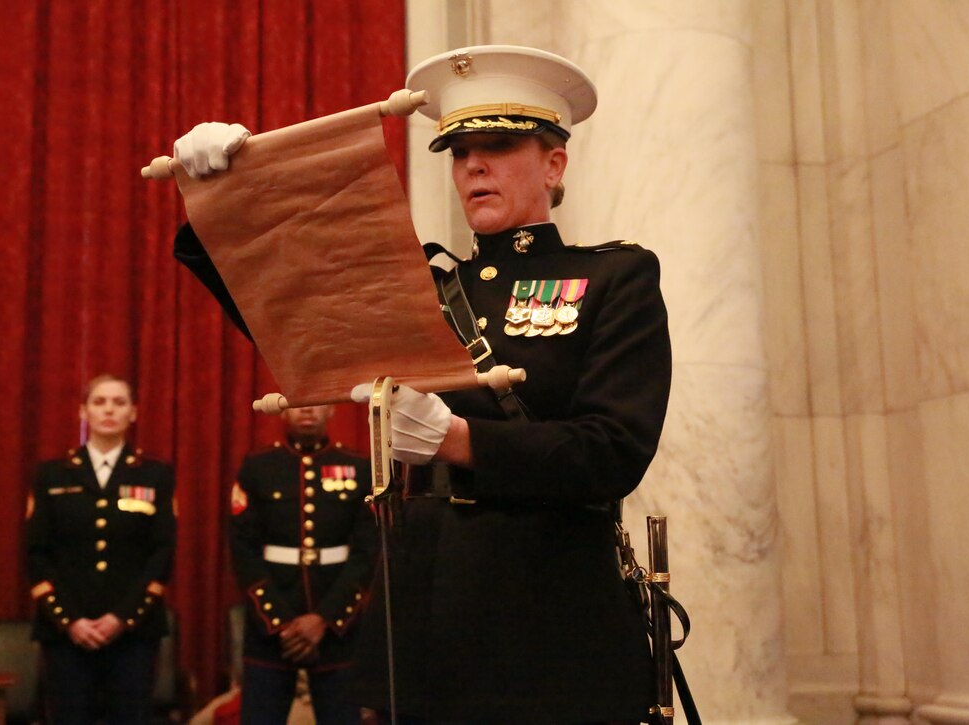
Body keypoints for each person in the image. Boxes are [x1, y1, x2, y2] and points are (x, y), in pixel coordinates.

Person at [168, 45, 671, 724]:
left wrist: (460, 441)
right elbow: (290, 320)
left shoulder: (615, 280)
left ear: (554, 164)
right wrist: (223, 198)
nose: (473, 167)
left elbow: (613, 452)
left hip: (552, 617)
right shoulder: (421, 286)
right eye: (459, 153)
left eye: (496, 145)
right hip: (427, 611)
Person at [25, 373, 177, 724]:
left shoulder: (154, 474)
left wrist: (120, 618)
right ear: (84, 412)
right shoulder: (52, 475)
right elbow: (37, 554)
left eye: (119, 402)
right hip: (66, 633)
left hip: (133, 632)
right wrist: (71, 621)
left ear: (133, 413)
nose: (109, 410)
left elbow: (162, 552)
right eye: (99, 402)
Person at [229, 404, 377, 725]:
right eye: (297, 402)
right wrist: (280, 621)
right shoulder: (258, 466)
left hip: (337, 625)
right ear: (282, 411)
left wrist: (325, 618)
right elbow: (243, 548)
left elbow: (368, 550)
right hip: (269, 626)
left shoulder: (357, 466)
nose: (307, 409)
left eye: (317, 401)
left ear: (332, 410)